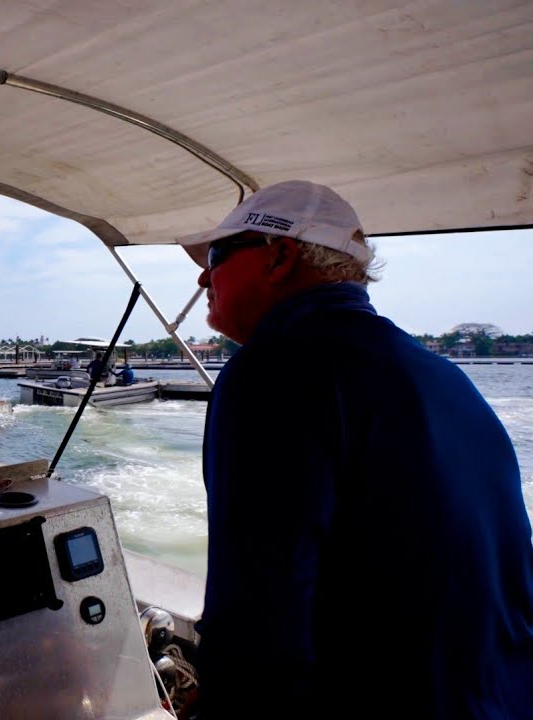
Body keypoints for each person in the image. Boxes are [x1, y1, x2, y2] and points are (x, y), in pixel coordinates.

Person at [175, 180, 533, 718]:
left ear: (279, 257)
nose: (204, 275)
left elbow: (257, 609)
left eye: (219, 255)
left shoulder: (276, 369)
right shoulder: (441, 375)